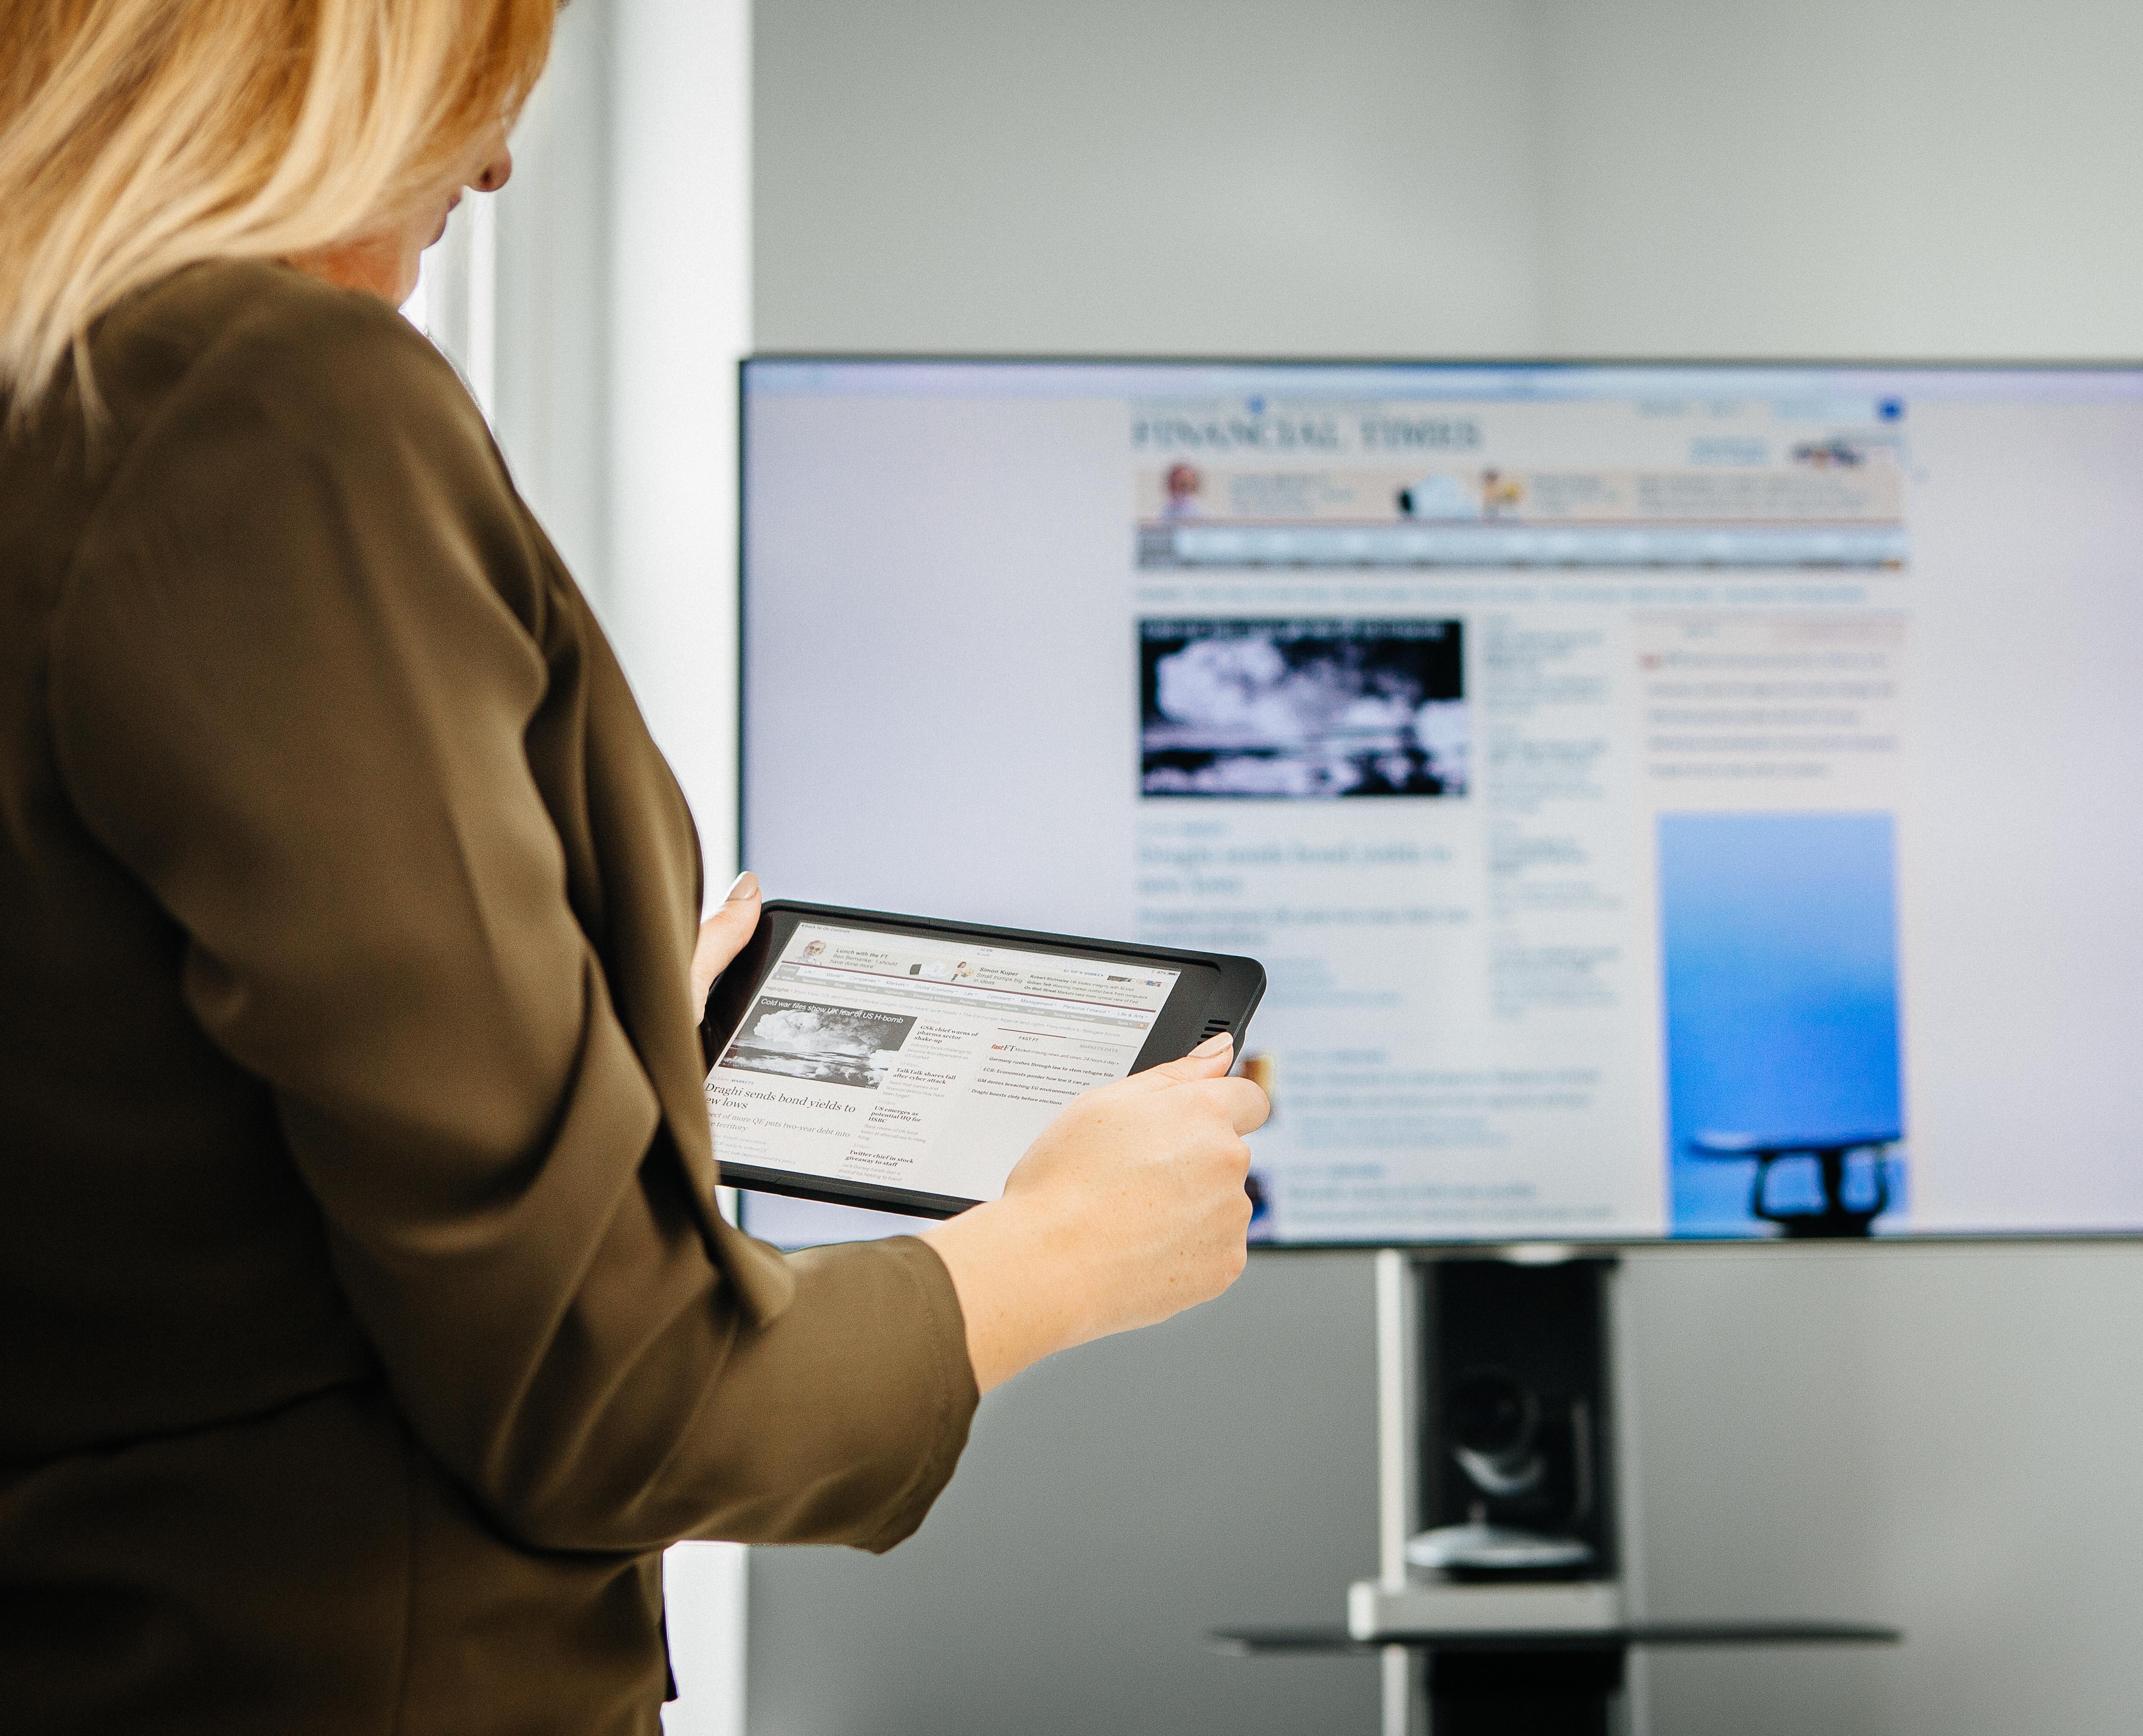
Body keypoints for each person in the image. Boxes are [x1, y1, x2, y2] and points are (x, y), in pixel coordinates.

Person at [0, 5, 1265, 1732]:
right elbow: (610, 1395)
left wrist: (561, 1045)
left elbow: (131, 1135)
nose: (500, 155)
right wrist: (1054, 1253)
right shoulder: (259, 398)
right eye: (477, 62)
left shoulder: (48, 403)